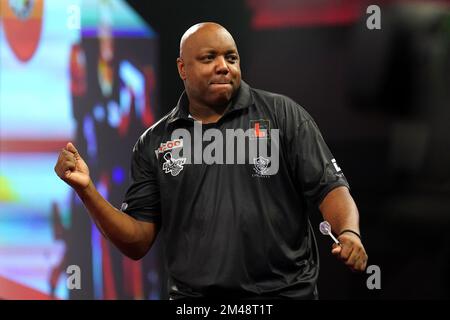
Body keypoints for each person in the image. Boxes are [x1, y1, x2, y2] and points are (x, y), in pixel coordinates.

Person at [55, 22, 368, 299]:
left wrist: (349, 233)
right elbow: (137, 242)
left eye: (231, 57)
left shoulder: (283, 116)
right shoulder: (155, 142)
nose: (224, 66)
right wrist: (87, 191)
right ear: (182, 69)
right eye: (209, 58)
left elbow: (331, 189)